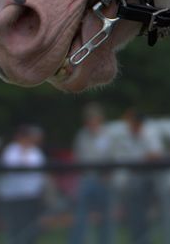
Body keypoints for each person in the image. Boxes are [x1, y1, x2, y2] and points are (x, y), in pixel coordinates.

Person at [110, 111, 162, 244]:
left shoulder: (150, 132)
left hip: (150, 178)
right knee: (135, 214)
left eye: (132, 123)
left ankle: (143, 240)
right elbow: (123, 157)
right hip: (134, 180)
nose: (130, 126)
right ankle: (138, 239)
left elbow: (155, 155)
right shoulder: (128, 135)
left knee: (146, 214)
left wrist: (139, 161)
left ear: (139, 123)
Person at [68, 104, 113, 244]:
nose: (91, 122)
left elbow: (112, 156)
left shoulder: (108, 134)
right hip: (86, 179)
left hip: (104, 180)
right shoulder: (82, 135)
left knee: (105, 217)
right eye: (89, 120)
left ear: (100, 119)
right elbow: (78, 157)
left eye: (94, 119)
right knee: (81, 215)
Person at [0, 125, 46, 244]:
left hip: (31, 195)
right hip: (13, 196)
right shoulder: (11, 150)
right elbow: (11, 164)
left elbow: (38, 171)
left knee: (30, 226)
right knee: (15, 226)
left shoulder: (36, 152)